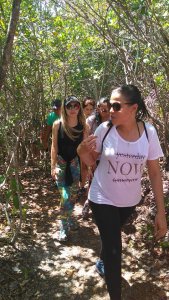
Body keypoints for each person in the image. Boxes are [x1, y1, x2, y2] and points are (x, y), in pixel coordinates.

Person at [77, 84, 167, 300]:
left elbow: (154, 173)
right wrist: (81, 151)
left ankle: (103, 256)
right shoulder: (104, 129)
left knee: (110, 238)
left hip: (129, 201)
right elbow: (91, 162)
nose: (109, 111)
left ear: (133, 108)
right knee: (115, 250)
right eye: (109, 106)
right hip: (102, 196)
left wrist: (161, 213)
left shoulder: (148, 132)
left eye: (116, 106)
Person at [51, 95, 88, 242]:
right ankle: (63, 228)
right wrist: (53, 166)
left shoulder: (84, 126)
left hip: (75, 164)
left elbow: (85, 149)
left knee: (72, 196)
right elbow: (54, 146)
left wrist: (87, 170)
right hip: (61, 162)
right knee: (65, 196)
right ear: (64, 108)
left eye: (76, 106)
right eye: (69, 106)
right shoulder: (57, 124)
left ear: (79, 108)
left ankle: (70, 218)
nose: (73, 109)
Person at [82, 96, 110, 219]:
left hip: (109, 157)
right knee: (92, 180)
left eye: (107, 108)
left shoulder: (114, 120)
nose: (105, 111)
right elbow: (85, 140)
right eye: (102, 109)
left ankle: (104, 206)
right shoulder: (91, 121)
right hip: (93, 156)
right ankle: (88, 203)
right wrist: (89, 162)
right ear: (98, 109)